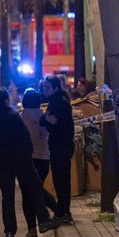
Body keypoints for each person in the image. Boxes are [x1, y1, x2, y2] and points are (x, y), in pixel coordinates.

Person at [0, 88, 58, 237]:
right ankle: (44, 220)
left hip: (1, 162)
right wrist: (26, 154)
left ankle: (10, 232)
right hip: (20, 159)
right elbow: (25, 136)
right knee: (36, 187)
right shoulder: (13, 116)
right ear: (6, 100)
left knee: (8, 196)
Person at [20, 88, 58, 237]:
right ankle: (55, 209)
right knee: (37, 188)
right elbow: (46, 134)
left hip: (27, 157)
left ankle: (32, 228)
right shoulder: (42, 115)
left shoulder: (21, 116)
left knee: (28, 192)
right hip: (43, 157)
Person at [40, 75, 75, 225]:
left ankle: (63, 212)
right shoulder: (56, 101)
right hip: (59, 146)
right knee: (60, 181)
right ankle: (62, 212)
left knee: (62, 181)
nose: (45, 90)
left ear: (55, 87)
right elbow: (45, 120)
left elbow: (60, 124)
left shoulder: (59, 102)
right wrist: (49, 120)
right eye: (44, 87)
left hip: (61, 146)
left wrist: (52, 122)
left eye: (47, 87)